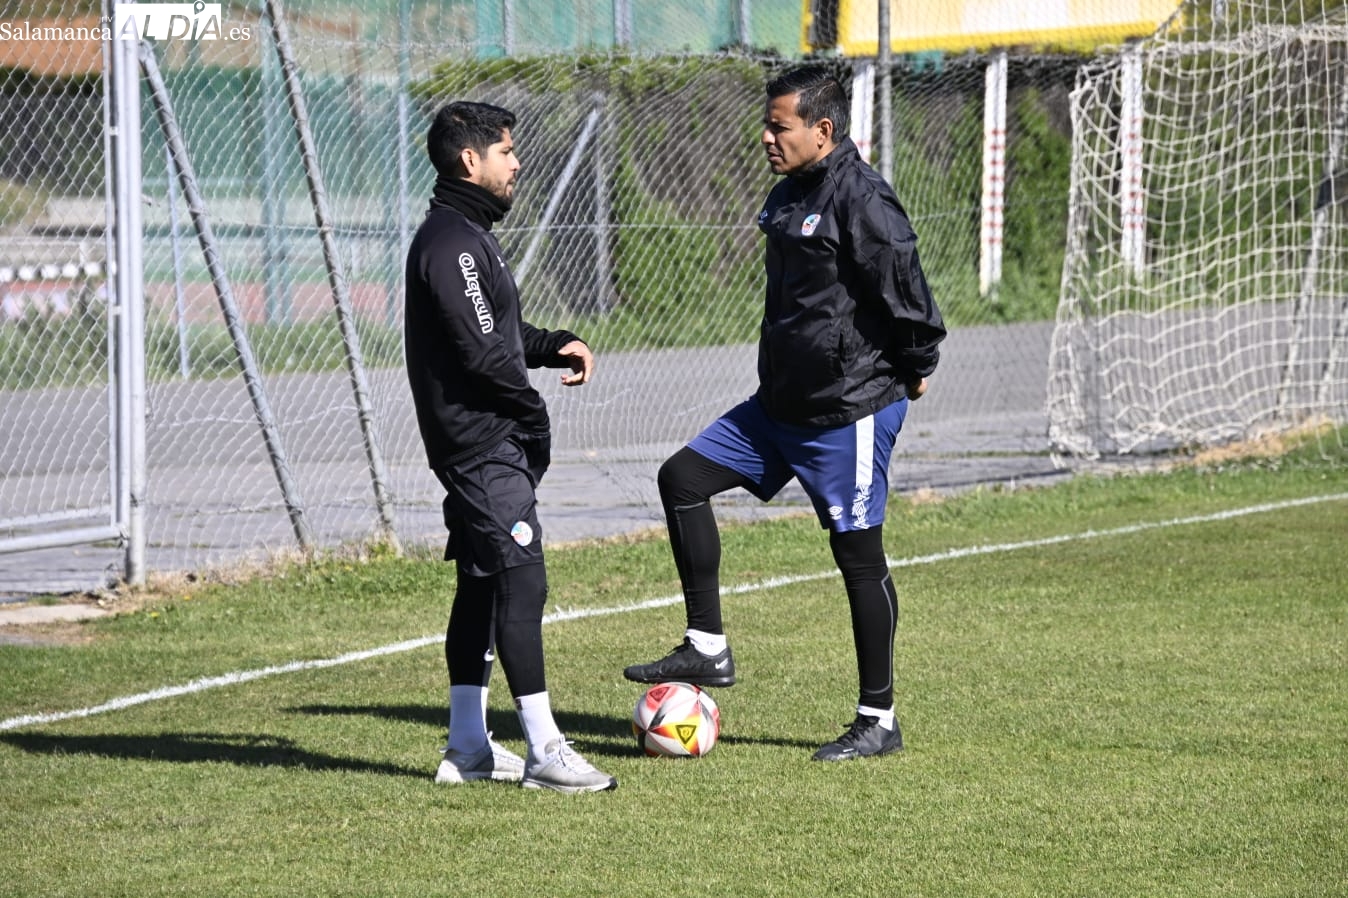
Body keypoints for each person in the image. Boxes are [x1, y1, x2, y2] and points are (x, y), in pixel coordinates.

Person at [623, 66, 947, 761]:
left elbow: (909, 297)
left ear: (822, 130)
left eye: (780, 126)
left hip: (847, 413)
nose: (767, 137)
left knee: (857, 556)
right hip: (777, 409)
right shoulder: (787, 192)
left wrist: (916, 365)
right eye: (766, 125)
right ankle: (707, 646)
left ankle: (878, 719)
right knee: (682, 479)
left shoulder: (864, 200)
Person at [405, 100, 616, 793]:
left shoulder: (468, 236)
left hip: (482, 439)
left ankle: (468, 746)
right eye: (506, 151)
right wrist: (529, 410)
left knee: (483, 583)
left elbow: (497, 334)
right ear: (471, 160)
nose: (516, 163)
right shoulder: (452, 244)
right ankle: (546, 752)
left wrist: (555, 344)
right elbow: (481, 354)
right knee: (523, 580)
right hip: (480, 443)